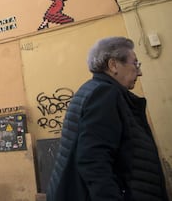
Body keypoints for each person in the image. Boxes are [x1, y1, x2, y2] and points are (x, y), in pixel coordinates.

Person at [46, 37, 169, 201]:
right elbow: (93, 160)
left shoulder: (92, 89)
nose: (139, 72)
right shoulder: (104, 94)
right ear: (113, 65)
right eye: (135, 64)